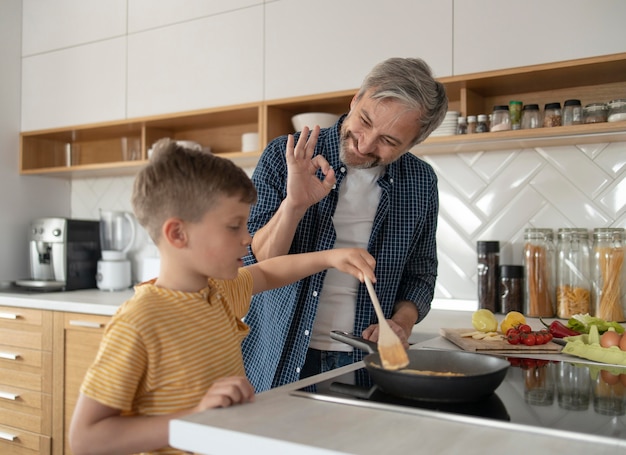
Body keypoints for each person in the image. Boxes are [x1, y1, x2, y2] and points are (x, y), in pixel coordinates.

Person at [69, 139, 376, 455]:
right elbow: (85, 439)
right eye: (234, 226)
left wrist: (330, 258)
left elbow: (269, 272)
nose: (247, 238)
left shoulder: (218, 291)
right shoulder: (140, 321)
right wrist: (195, 417)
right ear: (178, 234)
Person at [242, 57, 448, 392]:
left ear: (413, 144)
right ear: (356, 99)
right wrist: (294, 205)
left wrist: (401, 323)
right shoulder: (288, 153)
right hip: (280, 350)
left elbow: (420, 275)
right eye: (364, 121)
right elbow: (258, 266)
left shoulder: (420, 181)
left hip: (366, 360)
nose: (365, 144)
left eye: (389, 141)